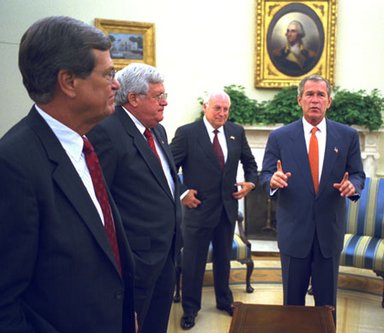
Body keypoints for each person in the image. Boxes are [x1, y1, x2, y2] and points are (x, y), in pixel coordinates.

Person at [0, 16, 135, 332]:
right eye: (108, 74)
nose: (116, 84)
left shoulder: (83, 146)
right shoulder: (14, 164)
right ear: (69, 82)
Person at [260, 75, 365, 322]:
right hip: (294, 233)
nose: (315, 100)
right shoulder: (280, 137)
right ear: (299, 100)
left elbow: (358, 174)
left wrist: (353, 186)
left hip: (329, 234)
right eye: (309, 94)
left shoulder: (347, 136)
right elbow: (265, 174)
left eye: (320, 95)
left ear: (329, 101)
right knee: (292, 306)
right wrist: (271, 181)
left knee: (326, 308)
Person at [87, 63, 180, 333]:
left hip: (166, 253)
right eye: (158, 96)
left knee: (156, 325)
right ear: (134, 98)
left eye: (164, 94)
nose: (165, 102)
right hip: (135, 260)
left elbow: (164, 185)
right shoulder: (106, 131)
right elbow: (99, 201)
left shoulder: (158, 130)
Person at [170, 91, 258, 330]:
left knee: (223, 260)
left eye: (226, 109)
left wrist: (250, 182)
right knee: (193, 262)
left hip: (227, 208)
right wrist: (183, 192)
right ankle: (190, 309)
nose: (222, 114)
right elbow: (167, 167)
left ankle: (224, 301)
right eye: (217, 108)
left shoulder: (236, 132)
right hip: (198, 210)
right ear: (205, 107)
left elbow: (250, 163)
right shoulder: (187, 133)